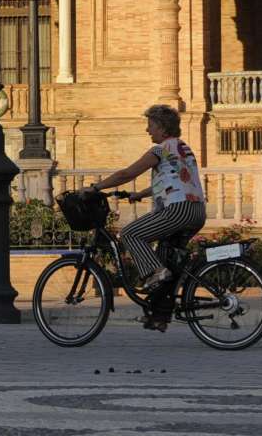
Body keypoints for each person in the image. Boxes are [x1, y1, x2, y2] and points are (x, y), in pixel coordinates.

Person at [83, 104, 205, 332]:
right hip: (196, 212)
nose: (148, 131)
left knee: (130, 233)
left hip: (177, 210)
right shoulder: (183, 148)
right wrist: (140, 194)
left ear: (161, 127)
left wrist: (96, 187)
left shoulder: (160, 149)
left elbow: (127, 173)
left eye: (150, 126)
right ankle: (159, 315)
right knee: (166, 257)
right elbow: (176, 179)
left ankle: (154, 272)